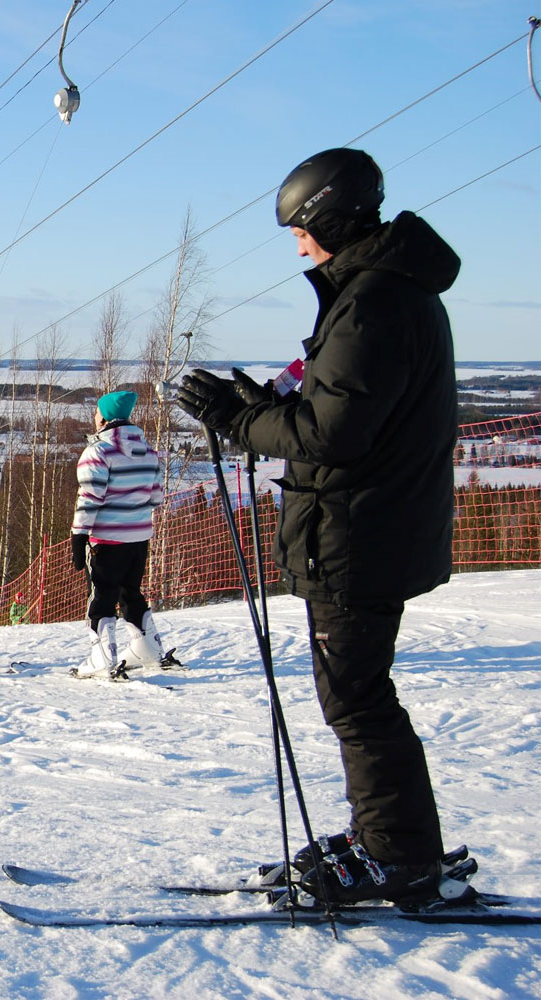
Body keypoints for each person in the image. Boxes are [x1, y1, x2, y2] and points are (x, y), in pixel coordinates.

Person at [177, 147, 458, 905]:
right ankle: (390, 840)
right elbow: (338, 412)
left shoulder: (372, 303)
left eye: (302, 232)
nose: (300, 248)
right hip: (370, 526)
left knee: (356, 699)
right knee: (360, 694)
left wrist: (237, 420)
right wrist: (263, 407)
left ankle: (399, 856)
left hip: (359, 533)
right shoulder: (388, 291)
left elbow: (331, 435)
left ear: (329, 222)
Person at [69, 390, 169, 679]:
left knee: (101, 595)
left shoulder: (98, 452)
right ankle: (147, 648)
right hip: (138, 537)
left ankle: (101, 658)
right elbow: (156, 498)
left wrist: (79, 535)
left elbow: (89, 498)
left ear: (104, 417)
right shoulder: (148, 451)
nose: (94, 416)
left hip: (106, 539)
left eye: (96, 411)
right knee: (130, 592)